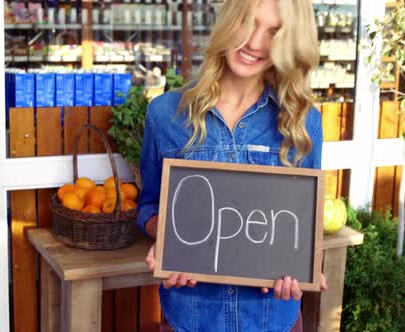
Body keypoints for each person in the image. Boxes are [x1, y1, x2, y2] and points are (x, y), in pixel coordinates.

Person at [137, 0, 329, 331]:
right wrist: (170, 245)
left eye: (274, 31)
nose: (254, 43)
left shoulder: (302, 123)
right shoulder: (165, 114)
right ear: (228, 20)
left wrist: (303, 268)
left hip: (271, 320)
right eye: (248, 22)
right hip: (191, 318)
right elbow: (149, 207)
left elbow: (303, 224)